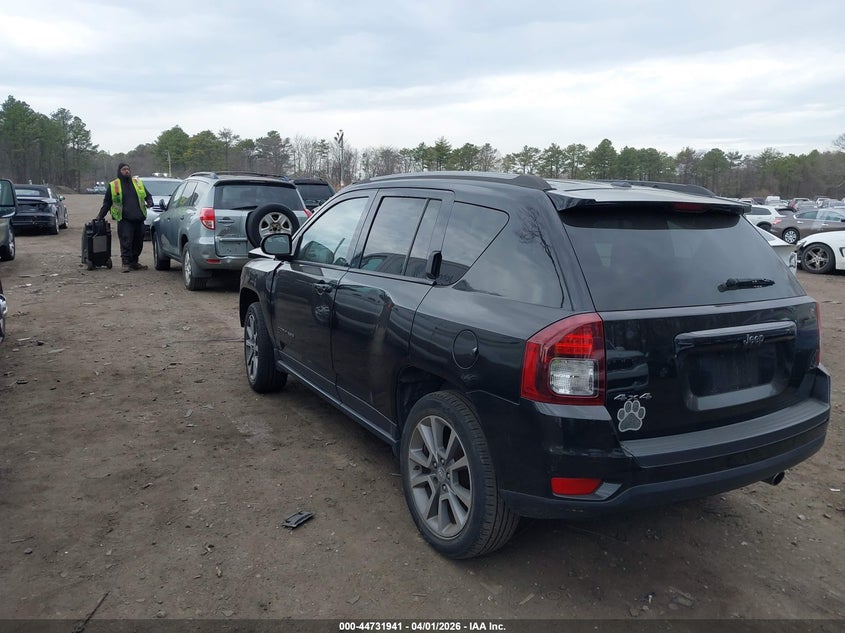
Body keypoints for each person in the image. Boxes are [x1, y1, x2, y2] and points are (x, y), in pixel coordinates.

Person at [97, 163, 153, 272]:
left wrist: (150, 202)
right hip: (124, 219)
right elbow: (107, 203)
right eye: (124, 169)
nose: (127, 171)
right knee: (126, 241)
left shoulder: (138, 183)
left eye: (128, 169)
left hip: (139, 218)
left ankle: (134, 262)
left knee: (138, 242)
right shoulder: (114, 185)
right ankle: (126, 263)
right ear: (119, 171)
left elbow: (148, 195)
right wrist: (100, 216)